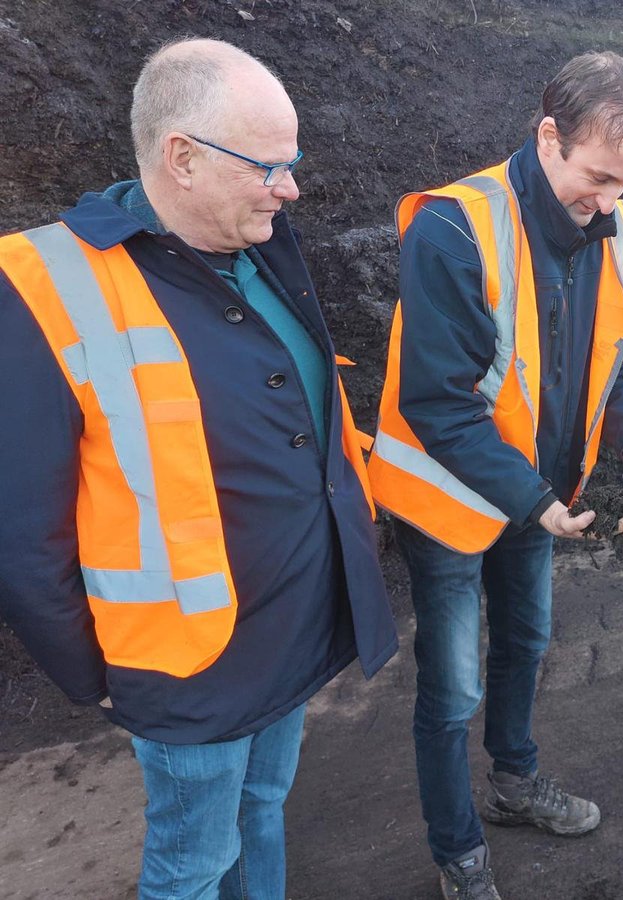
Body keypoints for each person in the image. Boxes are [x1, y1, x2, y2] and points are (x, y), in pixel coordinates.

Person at [0, 39, 397, 899]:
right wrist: (95, 678)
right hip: (186, 666)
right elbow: (23, 532)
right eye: (270, 166)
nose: (290, 188)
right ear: (180, 157)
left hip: (293, 630)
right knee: (190, 868)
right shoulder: (37, 283)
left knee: (264, 813)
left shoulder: (258, 240)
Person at [368, 51, 623, 898]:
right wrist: (536, 498)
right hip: (452, 502)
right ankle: (459, 852)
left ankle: (514, 786)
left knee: (525, 644)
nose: (611, 202)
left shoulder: (612, 228)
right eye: (598, 177)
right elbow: (439, 404)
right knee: (451, 690)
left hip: (539, 499)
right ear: (547, 135)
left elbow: (603, 366)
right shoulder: (453, 225)